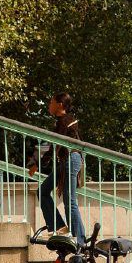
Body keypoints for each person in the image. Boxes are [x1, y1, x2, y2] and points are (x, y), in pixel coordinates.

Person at [29, 92, 85, 244]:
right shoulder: (60, 122)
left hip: (71, 159)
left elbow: (52, 144)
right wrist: (36, 163)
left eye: (51, 102)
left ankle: (79, 239)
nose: (49, 105)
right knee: (43, 190)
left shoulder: (67, 120)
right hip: (65, 162)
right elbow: (51, 144)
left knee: (69, 201)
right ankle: (59, 227)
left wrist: (36, 163)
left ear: (60, 104)